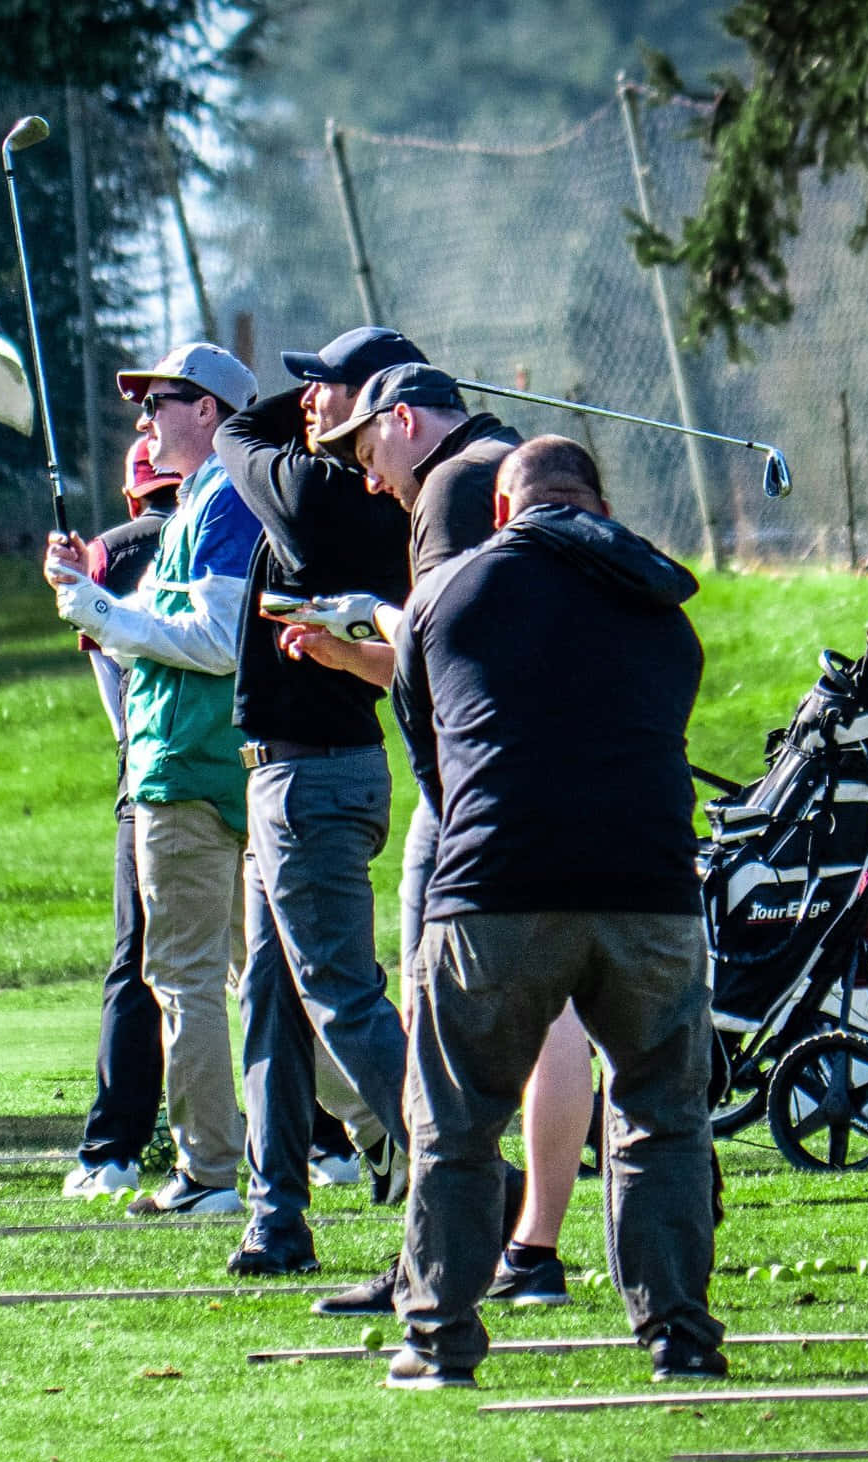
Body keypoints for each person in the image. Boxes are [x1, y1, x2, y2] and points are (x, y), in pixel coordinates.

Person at [383, 435, 725, 1388]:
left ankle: (438, 1338)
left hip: (496, 887)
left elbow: (433, 761)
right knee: (663, 1119)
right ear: (598, 504)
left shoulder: (445, 596)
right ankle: (679, 1336)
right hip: (649, 893)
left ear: (501, 510)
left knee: (453, 1126)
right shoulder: (663, 603)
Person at [290, 366, 590, 1316]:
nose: (374, 482)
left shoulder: (454, 485)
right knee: (565, 1017)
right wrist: (349, 654)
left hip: (476, 799)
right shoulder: (513, 469)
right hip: (560, 784)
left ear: (405, 421)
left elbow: (448, 656)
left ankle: (453, 1255)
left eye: (370, 455)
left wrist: (370, 623)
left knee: (441, 1032)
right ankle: (530, 1249)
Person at [211, 326, 427, 1278]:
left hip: (313, 778)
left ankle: (459, 1168)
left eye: (323, 387)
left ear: (378, 406)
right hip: (292, 774)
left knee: (339, 995)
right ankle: (276, 1214)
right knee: (270, 999)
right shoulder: (345, 484)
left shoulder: (327, 493)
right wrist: (332, 396)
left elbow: (231, 437)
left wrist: (314, 410)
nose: (302, 401)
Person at [47, 342, 261, 1219]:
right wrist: (88, 594)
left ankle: (209, 1172)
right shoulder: (202, 505)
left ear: (207, 410)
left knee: (186, 979)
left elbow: (213, 641)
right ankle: (385, 1139)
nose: (143, 420)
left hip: (191, 769)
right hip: (204, 764)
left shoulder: (223, 503)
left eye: (159, 401)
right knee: (275, 979)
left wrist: (97, 610)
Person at [60, 436, 182, 1199]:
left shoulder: (109, 552)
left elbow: (110, 677)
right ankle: (326, 1137)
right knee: (270, 962)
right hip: (249, 766)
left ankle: (113, 1147)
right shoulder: (246, 528)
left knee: (139, 961)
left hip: (151, 771)